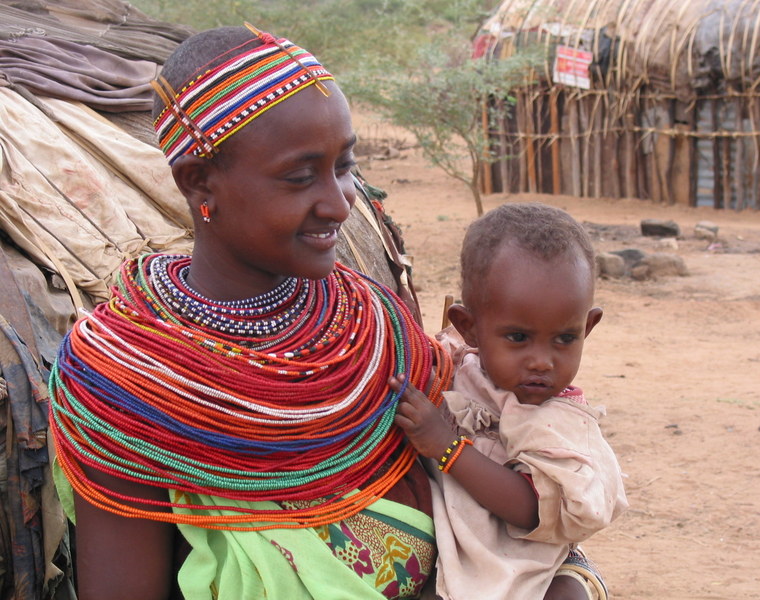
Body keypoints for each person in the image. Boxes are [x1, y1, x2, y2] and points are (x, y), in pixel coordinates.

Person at [48, 24, 452, 600]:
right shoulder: (126, 382)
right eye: (299, 176)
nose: (340, 205)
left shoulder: (376, 328)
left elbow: (488, 514)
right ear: (198, 182)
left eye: (344, 166)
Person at [391, 202, 629, 600]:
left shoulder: (560, 424)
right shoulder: (454, 370)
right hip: (456, 555)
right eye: (518, 337)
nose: (542, 361)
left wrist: (448, 448)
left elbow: (531, 509)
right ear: (468, 327)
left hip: (538, 566)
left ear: (587, 327)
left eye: (565, 338)